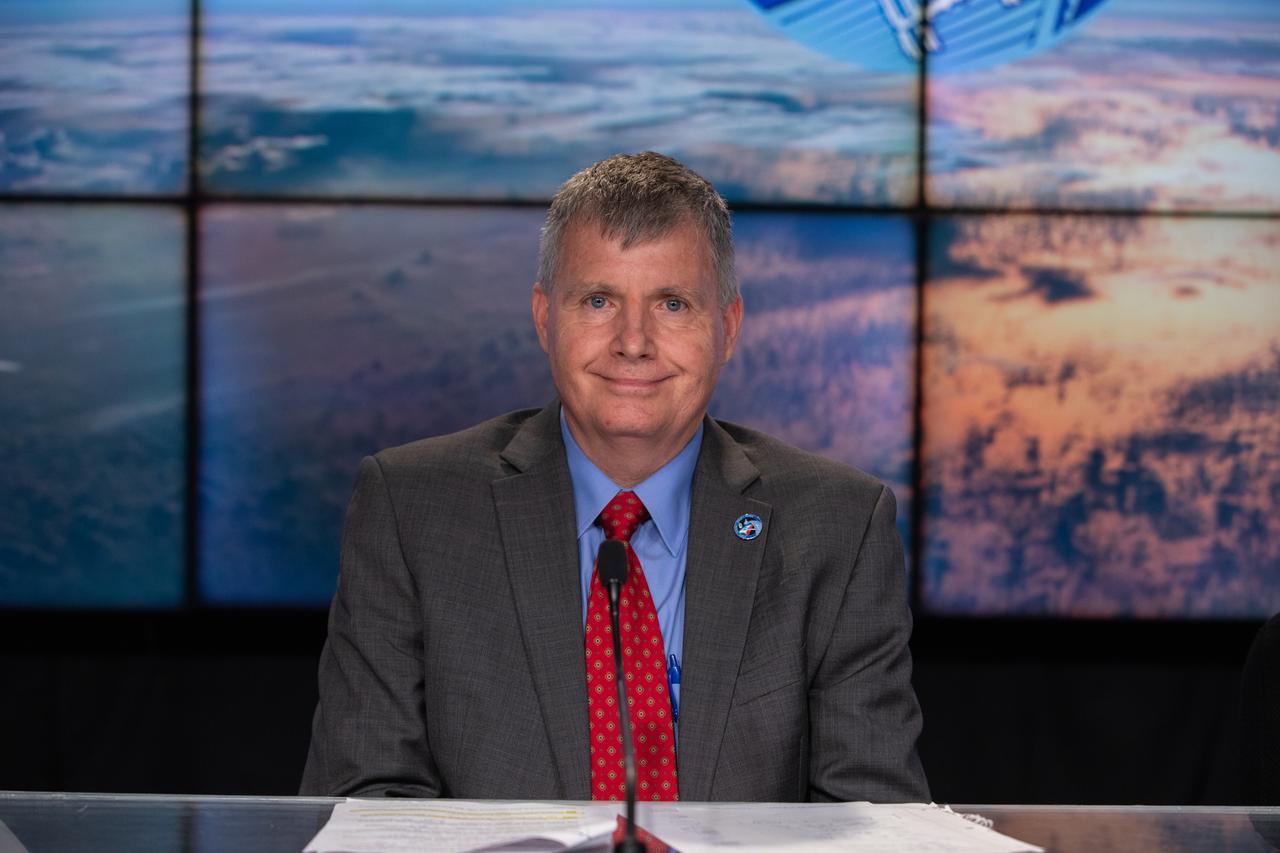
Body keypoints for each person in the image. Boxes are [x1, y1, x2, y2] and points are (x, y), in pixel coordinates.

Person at [300, 152, 928, 802]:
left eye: (673, 304)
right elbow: (365, 800)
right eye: (598, 300)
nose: (633, 341)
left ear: (727, 327)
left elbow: (875, 820)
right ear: (545, 318)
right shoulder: (412, 509)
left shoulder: (838, 528)